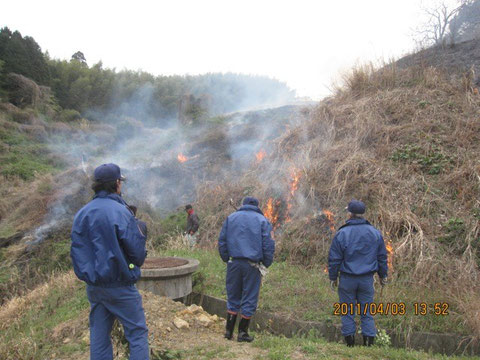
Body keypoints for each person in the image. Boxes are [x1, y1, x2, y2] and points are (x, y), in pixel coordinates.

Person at [71, 163, 149, 360]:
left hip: (95, 287)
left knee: (99, 336)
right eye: (120, 182)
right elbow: (137, 255)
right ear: (116, 183)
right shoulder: (121, 211)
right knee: (137, 334)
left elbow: (77, 251)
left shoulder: (82, 214)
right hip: (120, 285)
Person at [328, 200, 388, 347]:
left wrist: (333, 277)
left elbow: (334, 258)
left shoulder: (342, 233)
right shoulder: (374, 233)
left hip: (348, 279)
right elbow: (381, 257)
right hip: (367, 279)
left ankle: (350, 344)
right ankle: (368, 345)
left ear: (350, 214)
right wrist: (383, 275)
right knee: (367, 311)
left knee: (346, 311)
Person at [218, 196, 275, 342]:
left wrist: (226, 258)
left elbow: (222, 241)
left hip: (234, 263)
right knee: (249, 296)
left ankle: (228, 331)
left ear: (243, 204)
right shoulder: (262, 221)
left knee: (233, 295)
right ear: (257, 206)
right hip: (252, 265)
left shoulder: (231, 218)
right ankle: (242, 333)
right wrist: (266, 263)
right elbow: (268, 245)